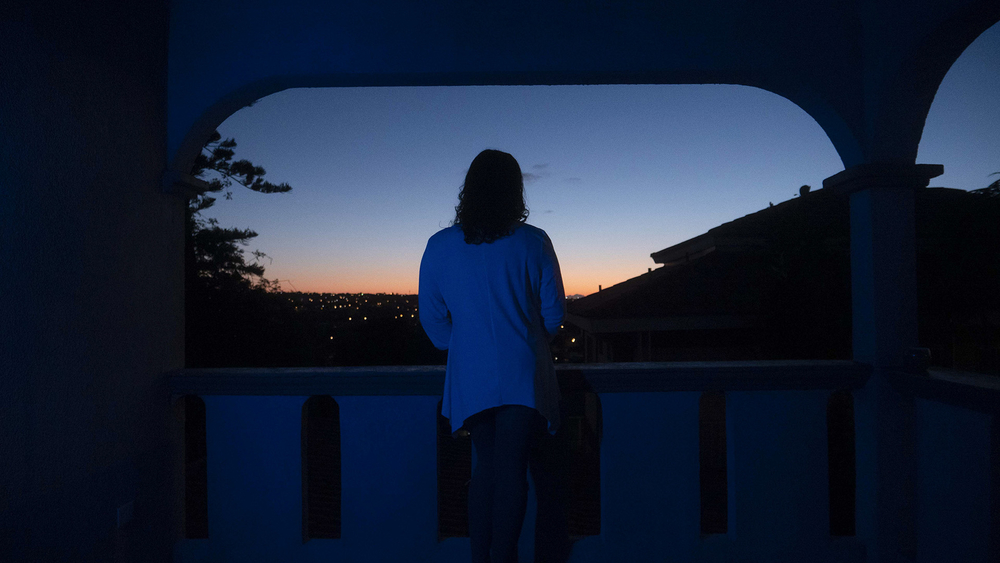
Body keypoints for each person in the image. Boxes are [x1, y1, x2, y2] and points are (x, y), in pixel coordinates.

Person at [419, 149, 569, 563]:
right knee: (512, 469)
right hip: (522, 367)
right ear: (514, 190)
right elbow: (554, 312)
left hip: (472, 373)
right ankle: (504, 558)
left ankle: (481, 559)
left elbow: (433, 324)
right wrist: (529, 340)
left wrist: (469, 346)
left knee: (485, 467)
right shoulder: (533, 241)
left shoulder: (439, 246)